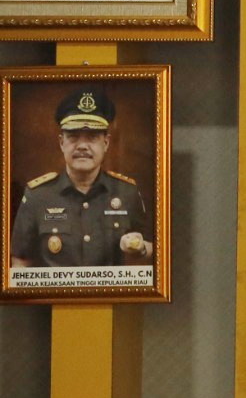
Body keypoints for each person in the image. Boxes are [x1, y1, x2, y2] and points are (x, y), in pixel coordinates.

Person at [11, 86, 151, 271]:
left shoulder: (126, 192)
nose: (82, 146)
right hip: (54, 291)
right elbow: (20, 262)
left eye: (92, 137)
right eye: (73, 137)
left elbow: (151, 248)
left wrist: (140, 248)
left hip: (112, 290)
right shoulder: (37, 196)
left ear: (106, 143)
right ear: (62, 143)